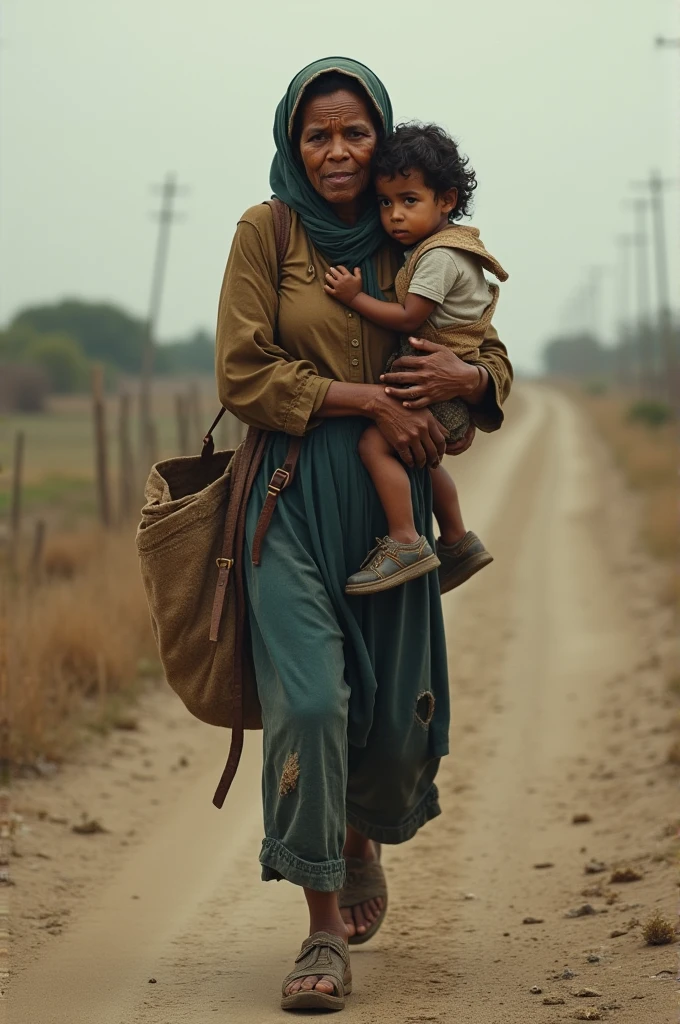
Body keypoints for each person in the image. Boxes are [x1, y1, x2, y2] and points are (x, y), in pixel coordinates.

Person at [216, 57, 513, 1012]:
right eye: (318, 134)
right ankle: (318, 927)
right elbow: (243, 372)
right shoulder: (266, 234)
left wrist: (470, 385)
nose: (337, 152)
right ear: (291, 145)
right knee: (308, 702)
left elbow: (486, 346)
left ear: (379, 141)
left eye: (353, 133)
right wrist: (365, 404)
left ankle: (358, 839)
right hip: (289, 500)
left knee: (386, 720)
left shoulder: (412, 228)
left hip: (393, 520)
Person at [323, 122, 508, 595]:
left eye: (409, 201)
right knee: (425, 466)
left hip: (434, 386)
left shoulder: (439, 257)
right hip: (439, 387)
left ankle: (406, 539)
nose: (394, 217)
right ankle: (456, 540)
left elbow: (408, 317)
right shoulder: (446, 247)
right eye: (385, 203)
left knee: (374, 445)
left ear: (446, 200)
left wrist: (353, 296)